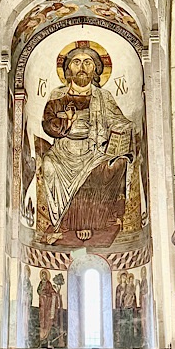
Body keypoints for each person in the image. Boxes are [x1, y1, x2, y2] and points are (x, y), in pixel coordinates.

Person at [40, 45, 134, 246]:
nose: (82, 67)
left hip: (94, 152)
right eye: (76, 62)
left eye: (87, 62)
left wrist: (126, 127)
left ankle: (96, 222)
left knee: (117, 165)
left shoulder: (103, 96)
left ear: (96, 69)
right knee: (48, 165)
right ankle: (63, 224)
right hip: (63, 151)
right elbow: (48, 124)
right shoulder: (57, 95)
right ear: (68, 69)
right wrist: (67, 122)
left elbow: (119, 121)